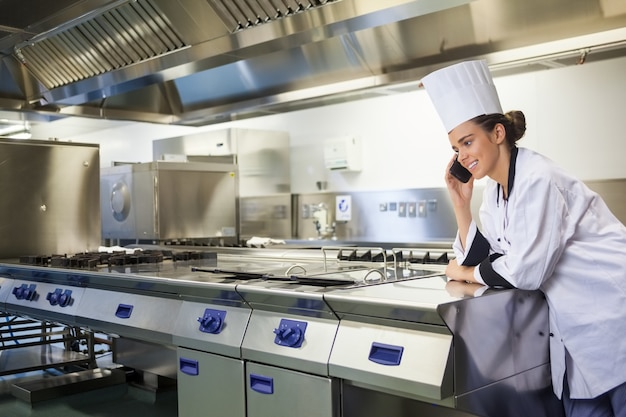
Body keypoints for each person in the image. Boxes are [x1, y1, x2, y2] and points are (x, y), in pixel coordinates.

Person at [421, 59, 626, 417]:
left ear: (498, 133)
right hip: (579, 332)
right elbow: (489, 256)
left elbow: (524, 271)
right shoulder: (497, 193)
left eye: (468, 142)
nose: (462, 156)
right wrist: (461, 205)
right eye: (456, 148)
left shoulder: (538, 178)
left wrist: (467, 275)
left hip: (614, 316)